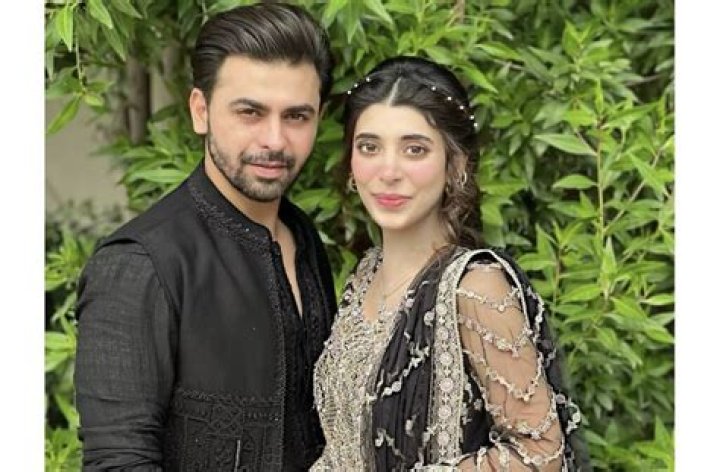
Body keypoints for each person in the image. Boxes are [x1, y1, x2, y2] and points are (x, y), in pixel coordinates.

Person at [74, 4, 337, 471]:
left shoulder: (303, 237)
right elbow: (118, 461)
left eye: (296, 116)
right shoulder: (140, 264)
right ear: (201, 111)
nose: (274, 140)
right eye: (250, 112)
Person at [311, 57, 591, 471]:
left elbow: (540, 453)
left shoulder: (475, 286)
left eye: (415, 149)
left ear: (455, 165)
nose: (388, 171)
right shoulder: (367, 274)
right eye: (369, 147)